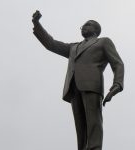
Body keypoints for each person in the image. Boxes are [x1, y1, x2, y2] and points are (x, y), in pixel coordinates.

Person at [32, 10, 124, 150]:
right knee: (80, 127)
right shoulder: (73, 47)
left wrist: (117, 84)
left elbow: (117, 63)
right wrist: (37, 24)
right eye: (83, 26)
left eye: (88, 25)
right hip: (74, 88)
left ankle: (95, 148)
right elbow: (51, 44)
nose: (84, 27)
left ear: (96, 29)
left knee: (93, 123)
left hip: (92, 85)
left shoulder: (103, 42)